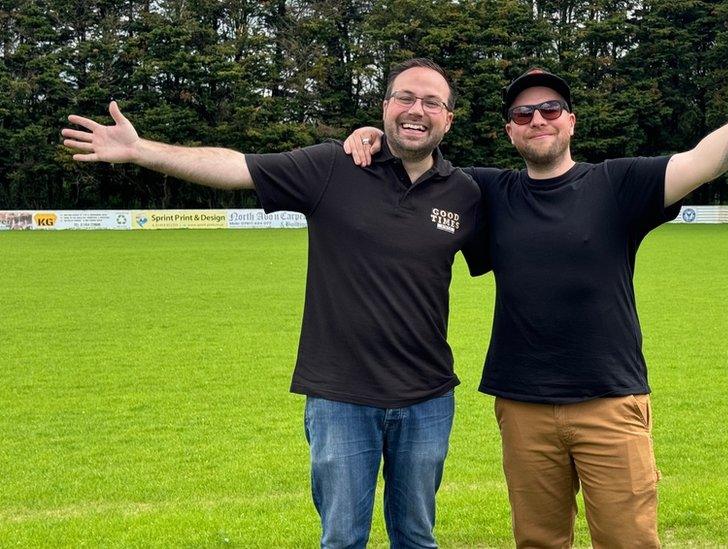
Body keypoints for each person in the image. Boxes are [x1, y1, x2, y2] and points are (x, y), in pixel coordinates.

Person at [343, 43, 728, 548]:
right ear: (510, 130)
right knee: (538, 542)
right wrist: (377, 137)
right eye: (523, 113)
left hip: (610, 401)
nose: (538, 119)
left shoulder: (617, 184)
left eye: (550, 109)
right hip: (523, 406)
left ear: (571, 121)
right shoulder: (487, 192)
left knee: (628, 541)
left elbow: (705, 161)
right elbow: (420, 167)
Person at [61, 58, 489, 549]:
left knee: (417, 538)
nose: (418, 110)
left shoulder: (465, 194)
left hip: (428, 398)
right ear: (385, 106)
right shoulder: (334, 166)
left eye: (432, 102)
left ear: (449, 118)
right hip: (340, 397)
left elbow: (527, 244)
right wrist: (141, 151)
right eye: (406, 98)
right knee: (343, 539)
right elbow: (236, 167)